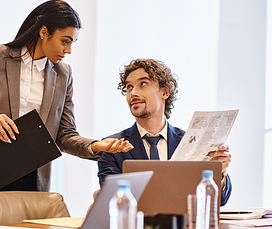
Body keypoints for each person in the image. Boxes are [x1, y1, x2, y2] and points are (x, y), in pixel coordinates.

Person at [0, 0, 132, 194]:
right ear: (44, 32)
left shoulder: (64, 75)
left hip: (33, 181)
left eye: (72, 43)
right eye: (65, 41)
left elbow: (64, 135)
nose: (68, 50)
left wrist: (96, 146)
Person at [97, 59, 232, 205]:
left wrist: (219, 172)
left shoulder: (190, 142)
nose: (133, 93)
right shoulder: (111, 147)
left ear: (165, 92)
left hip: (184, 227)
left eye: (143, 84)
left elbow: (220, 201)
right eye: (129, 87)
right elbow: (111, 200)